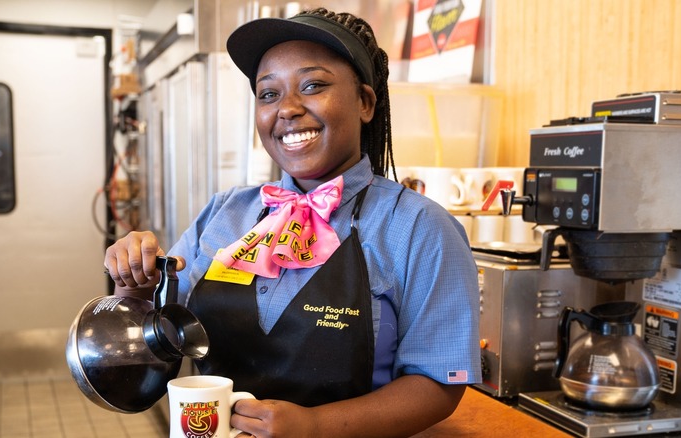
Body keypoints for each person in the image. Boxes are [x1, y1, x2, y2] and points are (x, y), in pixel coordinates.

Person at [104, 7, 480, 437]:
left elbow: (438, 386)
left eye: (313, 85)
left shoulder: (419, 228)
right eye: (268, 94)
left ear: (364, 102)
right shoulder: (226, 212)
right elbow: (160, 339)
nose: (287, 109)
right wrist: (133, 285)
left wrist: (316, 425)